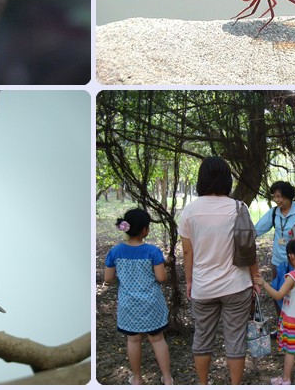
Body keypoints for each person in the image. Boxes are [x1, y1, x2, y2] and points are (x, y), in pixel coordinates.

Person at [179, 156, 261, 385]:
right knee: (235, 339)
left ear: (201, 179)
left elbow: (188, 253)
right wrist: (256, 277)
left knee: (202, 338)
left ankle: (203, 385)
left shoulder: (190, 211)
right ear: (227, 179)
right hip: (237, 285)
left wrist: (189, 281)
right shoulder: (239, 207)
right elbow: (249, 246)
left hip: (203, 286)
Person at [103, 208, 173, 385]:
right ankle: (167, 378)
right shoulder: (153, 252)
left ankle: (137, 379)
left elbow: (108, 279)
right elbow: (161, 278)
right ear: (144, 230)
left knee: (133, 340)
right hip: (151, 304)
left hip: (128, 305)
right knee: (157, 339)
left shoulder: (115, 252)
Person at [254, 237, 295, 385]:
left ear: (291, 256)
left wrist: (264, 283)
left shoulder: (293, 276)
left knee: (290, 350)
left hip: (292, 320)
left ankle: (286, 379)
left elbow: (278, 295)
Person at [254, 181, 295, 312]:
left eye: (279, 196)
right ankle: (282, 323)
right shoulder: (274, 213)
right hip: (278, 261)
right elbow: (256, 230)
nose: (276, 200)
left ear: (288, 196)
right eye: (274, 196)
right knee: (277, 291)